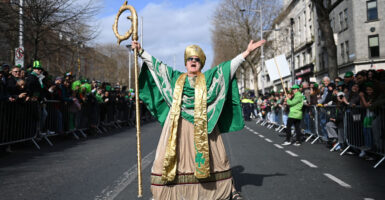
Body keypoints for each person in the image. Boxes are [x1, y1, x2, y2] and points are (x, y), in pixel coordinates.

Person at [132, 39, 265, 200]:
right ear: (186, 63)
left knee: (215, 160)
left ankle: (218, 190)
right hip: (178, 126)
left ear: (201, 63)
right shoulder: (175, 78)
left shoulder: (209, 78)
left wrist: (247, 52)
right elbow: (157, 67)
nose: (193, 62)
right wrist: (140, 52)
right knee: (166, 160)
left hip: (204, 126)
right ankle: (168, 193)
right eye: (190, 59)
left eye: (197, 59)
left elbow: (228, 68)